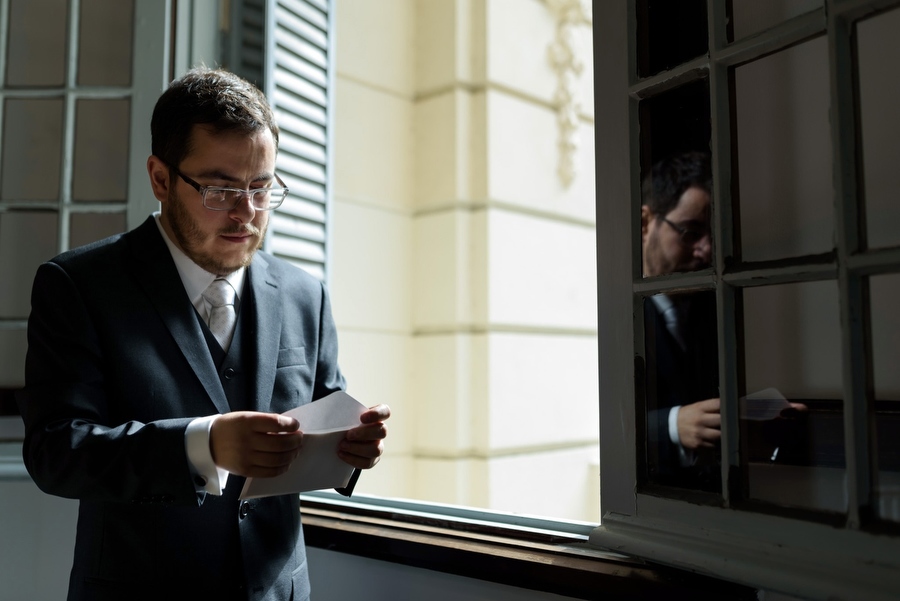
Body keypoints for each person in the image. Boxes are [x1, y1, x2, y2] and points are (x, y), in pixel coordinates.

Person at [15, 67, 390, 601]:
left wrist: (351, 448)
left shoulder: (309, 294)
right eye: (219, 189)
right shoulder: (77, 286)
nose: (247, 213)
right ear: (161, 178)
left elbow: (323, 415)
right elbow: (57, 452)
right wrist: (203, 445)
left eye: (262, 188)